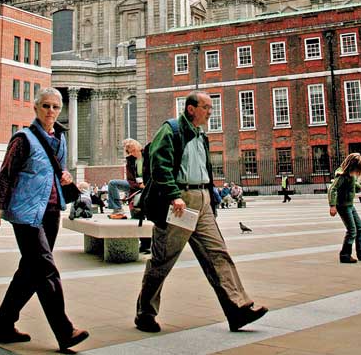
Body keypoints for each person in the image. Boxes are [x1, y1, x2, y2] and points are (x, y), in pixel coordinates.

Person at [135, 91, 268, 333]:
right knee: (163, 260)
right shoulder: (172, 130)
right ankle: (145, 313)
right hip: (180, 202)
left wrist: (211, 199)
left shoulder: (200, 135)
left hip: (202, 200)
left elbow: (204, 169)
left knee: (218, 253)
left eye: (211, 107)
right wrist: (174, 195)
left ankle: (238, 309)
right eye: (206, 107)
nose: (210, 111)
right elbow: (159, 165)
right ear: (191, 109)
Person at [0, 88, 89, 352]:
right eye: (45, 106)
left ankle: (4, 324)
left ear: (60, 109)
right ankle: (65, 331)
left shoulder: (60, 139)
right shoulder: (23, 139)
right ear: (36, 108)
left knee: (30, 272)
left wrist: (67, 178)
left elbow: (59, 171)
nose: (50, 111)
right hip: (27, 214)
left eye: (55, 107)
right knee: (46, 269)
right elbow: (4, 176)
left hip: (51, 212)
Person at [328, 152, 361, 263]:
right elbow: (332, 189)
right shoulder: (342, 176)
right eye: (357, 170)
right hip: (342, 206)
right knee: (352, 230)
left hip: (350, 205)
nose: (357, 173)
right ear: (352, 166)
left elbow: (353, 184)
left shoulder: (350, 175)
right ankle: (345, 254)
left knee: (360, 228)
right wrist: (332, 205)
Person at [107, 138, 144, 220]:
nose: (132, 153)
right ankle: (118, 210)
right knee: (112, 183)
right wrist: (139, 185)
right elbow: (130, 179)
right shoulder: (130, 160)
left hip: (150, 184)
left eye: (134, 150)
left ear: (139, 148)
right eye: (130, 152)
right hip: (136, 185)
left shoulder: (148, 156)